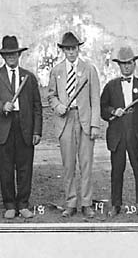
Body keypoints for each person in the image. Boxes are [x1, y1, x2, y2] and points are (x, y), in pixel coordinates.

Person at [0, 35, 42, 220]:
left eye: (14, 53)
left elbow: (36, 107)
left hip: (24, 128)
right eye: (8, 54)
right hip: (2, 128)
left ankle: (23, 204)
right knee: (5, 168)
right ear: (3, 56)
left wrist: (36, 131)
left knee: (25, 168)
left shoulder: (29, 77)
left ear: (19, 54)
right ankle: (9, 204)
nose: (11, 57)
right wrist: (1, 106)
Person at [44, 31, 102, 218]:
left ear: (78, 48)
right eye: (67, 49)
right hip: (65, 120)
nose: (71, 52)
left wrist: (95, 125)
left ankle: (86, 203)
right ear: (63, 50)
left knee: (86, 164)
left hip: (84, 119)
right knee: (68, 165)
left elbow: (95, 98)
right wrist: (58, 106)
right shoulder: (57, 71)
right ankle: (71, 202)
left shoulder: (89, 69)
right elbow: (51, 95)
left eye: (74, 48)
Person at [100, 46, 138, 217]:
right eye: (123, 64)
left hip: (136, 134)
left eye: (129, 63)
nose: (126, 67)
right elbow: (103, 109)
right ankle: (116, 204)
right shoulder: (110, 86)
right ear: (119, 65)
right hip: (118, 135)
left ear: (134, 64)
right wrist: (113, 111)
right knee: (117, 170)